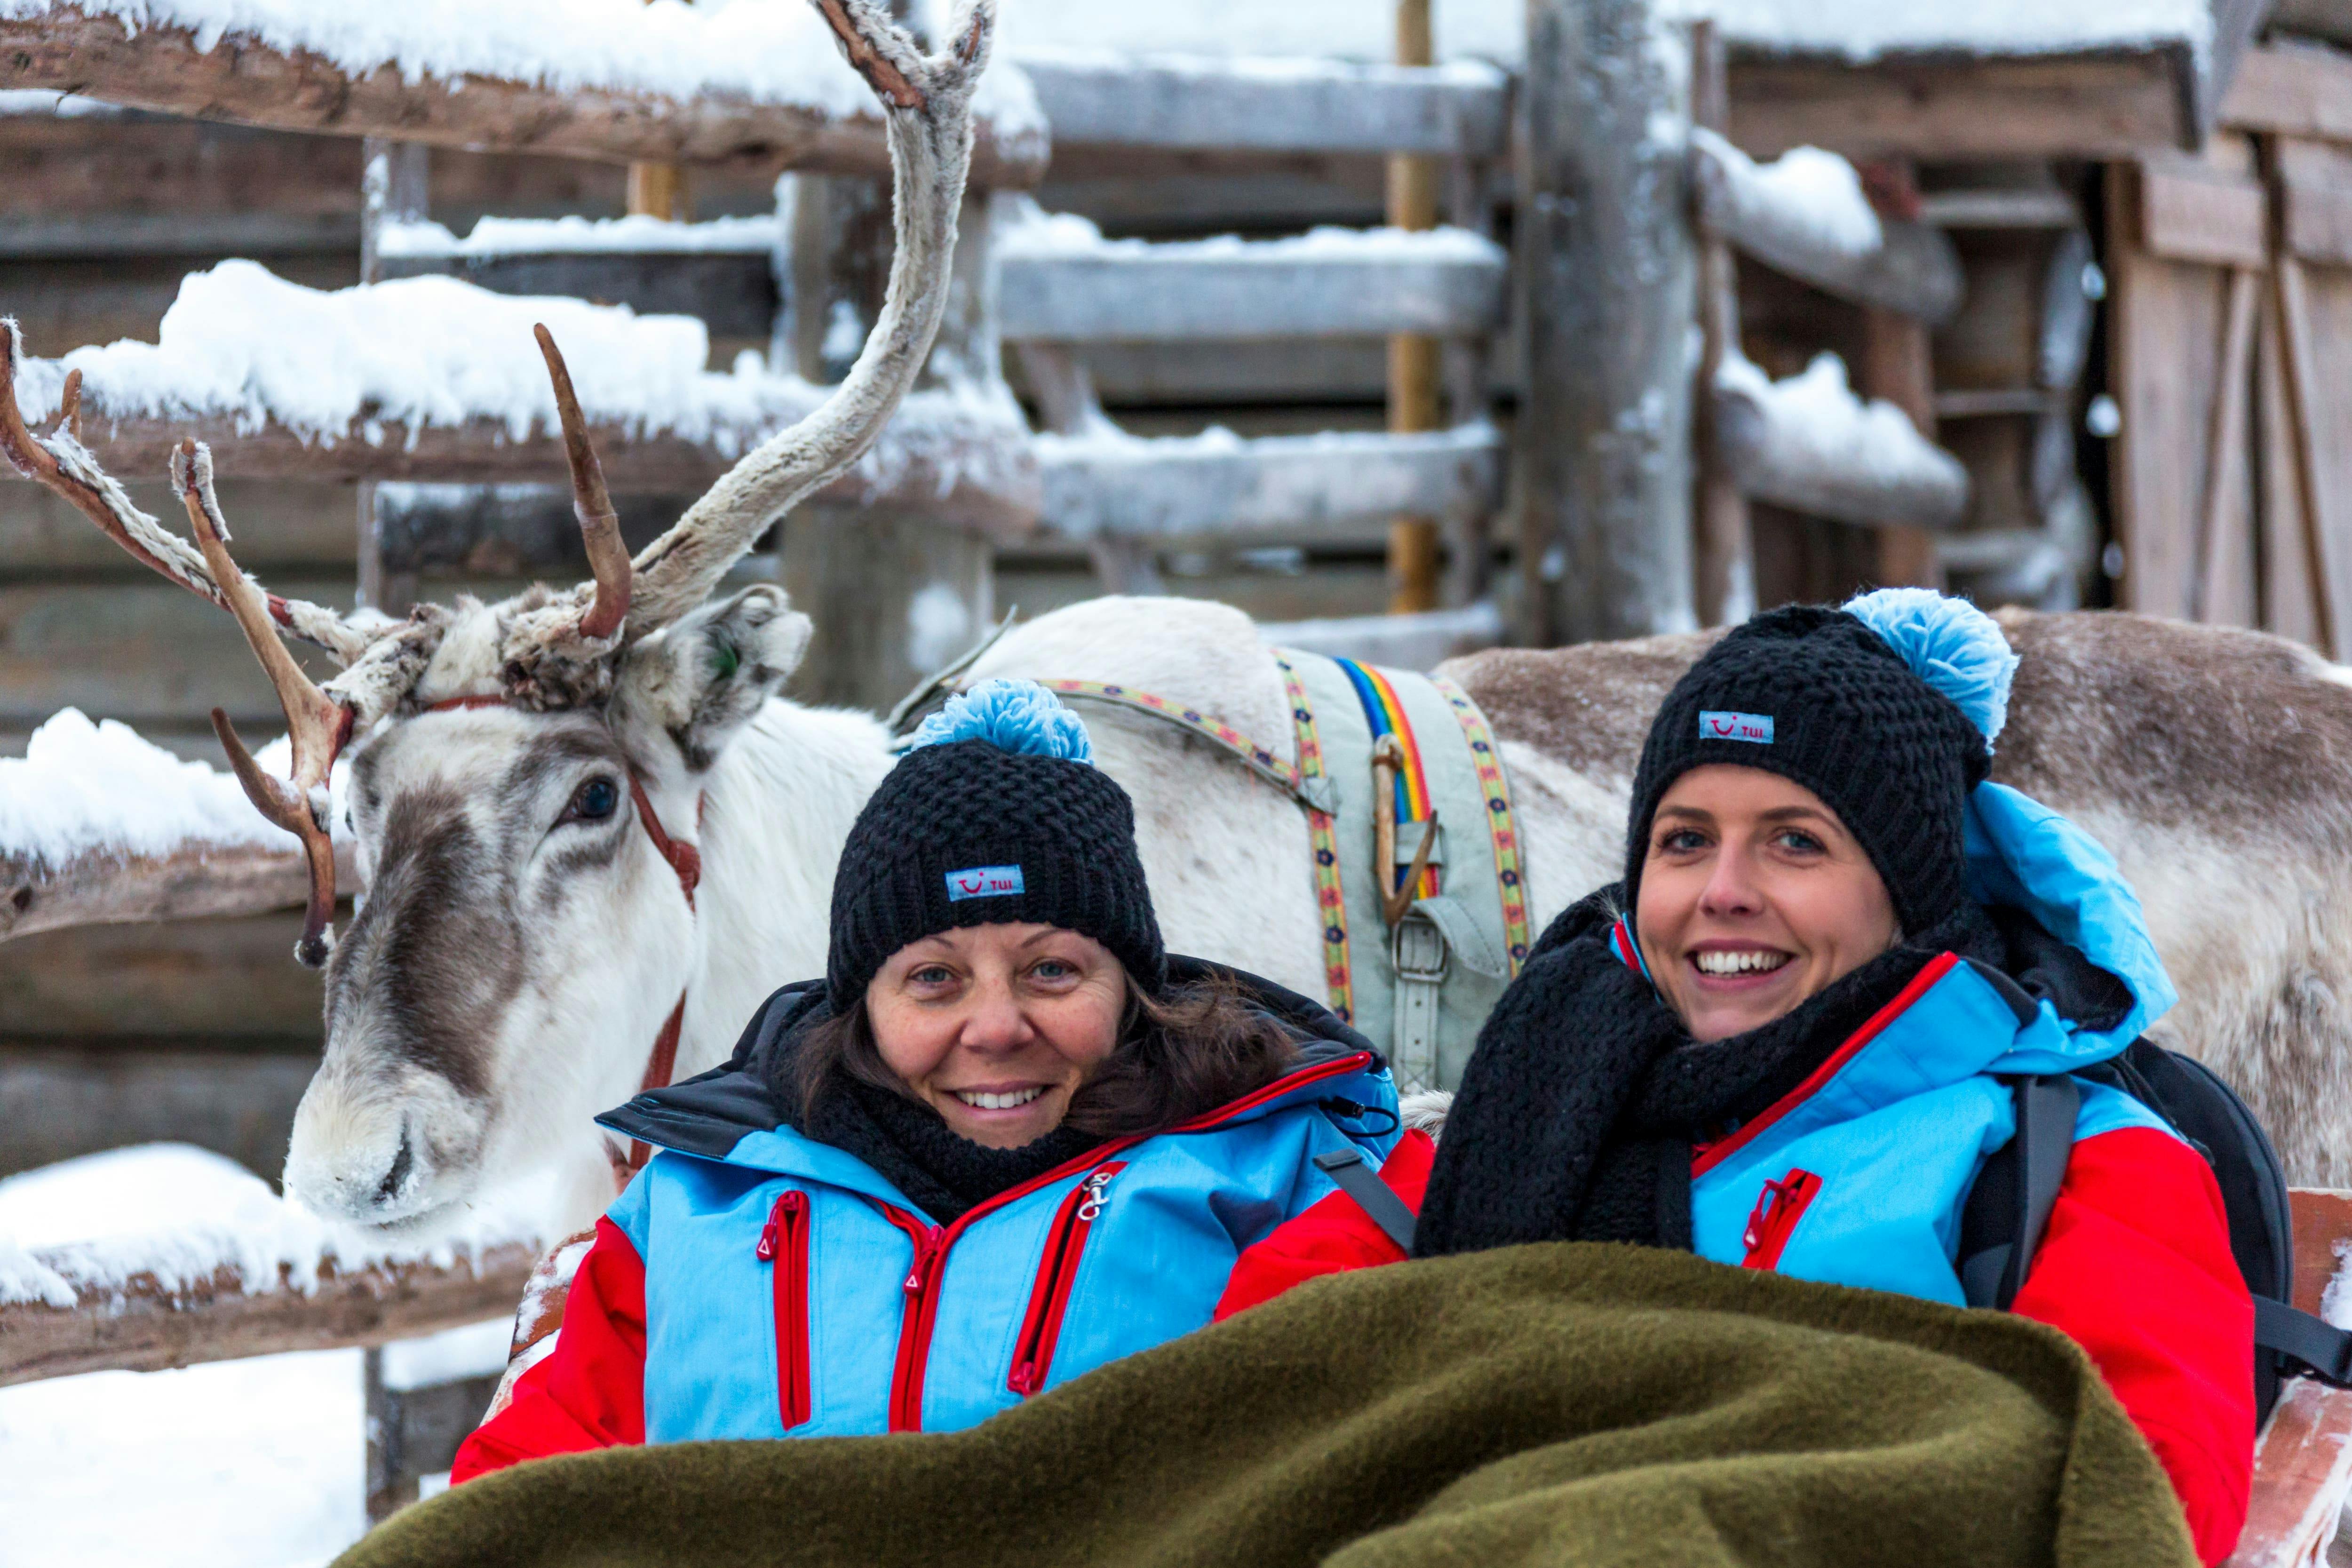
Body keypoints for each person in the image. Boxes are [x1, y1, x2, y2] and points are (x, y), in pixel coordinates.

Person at [1215, 591, 2255, 1564]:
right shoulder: (1539, 1100)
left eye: (1794, 843)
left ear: (1911, 894)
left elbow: (2140, 1480)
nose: (1722, 892)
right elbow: (1258, 1383)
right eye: (1684, 841)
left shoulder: (2067, 1158)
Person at [453, 680, 1400, 1475]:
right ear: (859, 1004)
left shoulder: (1300, 1179)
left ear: (1133, 986)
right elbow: (519, 1506)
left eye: (1052, 970)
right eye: (934, 978)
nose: (993, 1028)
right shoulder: (693, 1205)